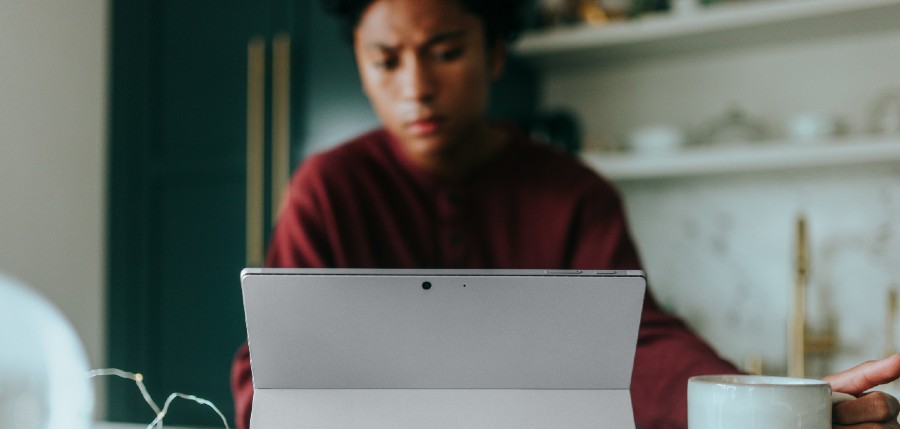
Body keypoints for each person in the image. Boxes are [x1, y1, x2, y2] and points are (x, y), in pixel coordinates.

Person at [231, 0, 900, 427]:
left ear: (493, 51)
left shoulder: (572, 192)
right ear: (360, 62)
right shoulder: (328, 188)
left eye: (446, 52)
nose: (415, 87)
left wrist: (764, 405)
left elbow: (637, 344)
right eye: (386, 60)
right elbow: (277, 363)